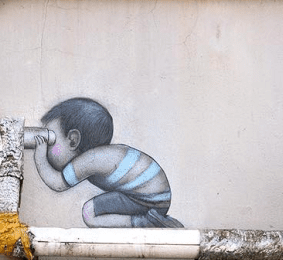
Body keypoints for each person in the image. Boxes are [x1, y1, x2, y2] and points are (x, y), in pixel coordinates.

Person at [33, 97, 183, 228]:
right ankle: (152, 219)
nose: (46, 146)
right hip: (156, 198)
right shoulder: (100, 155)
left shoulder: (89, 160)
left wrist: (39, 157)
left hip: (149, 199)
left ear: (73, 140)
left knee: (89, 213)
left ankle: (147, 223)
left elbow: (57, 184)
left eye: (51, 140)